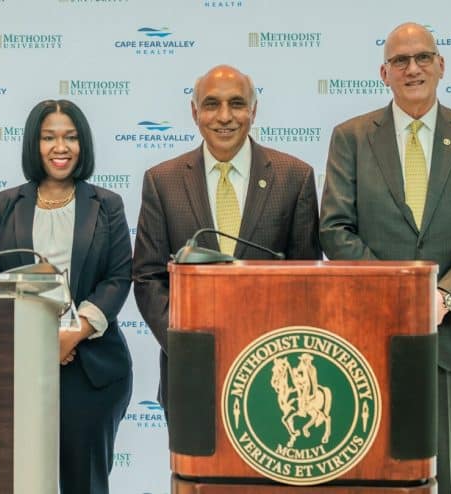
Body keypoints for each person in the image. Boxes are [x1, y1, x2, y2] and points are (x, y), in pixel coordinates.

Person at [319, 22, 451, 494]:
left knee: (446, 477)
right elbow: (334, 228)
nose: (413, 68)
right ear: (384, 73)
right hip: (367, 335)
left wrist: (444, 296)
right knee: (368, 471)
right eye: (401, 61)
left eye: (423, 57)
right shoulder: (352, 137)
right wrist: (399, 294)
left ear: (441, 65)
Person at [132, 64, 322, 415]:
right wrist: (186, 342)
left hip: (274, 376)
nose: (224, 117)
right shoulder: (163, 181)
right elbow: (148, 278)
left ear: (253, 110)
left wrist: (273, 347)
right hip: (191, 373)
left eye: (236, 104)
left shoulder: (294, 177)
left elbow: (306, 278)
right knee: (193, 473)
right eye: (211, 104)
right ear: (194, 112)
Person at [0, 99, 133, 494]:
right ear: (34, 143)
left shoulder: (107, 205)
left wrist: (73, 333)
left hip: (91, 368)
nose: (60, 147)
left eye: (71, 137)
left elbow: (118, 276)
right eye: (49, 137)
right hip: (18, 367)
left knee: (86, 484)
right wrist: (35, 341)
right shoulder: (4, 205)